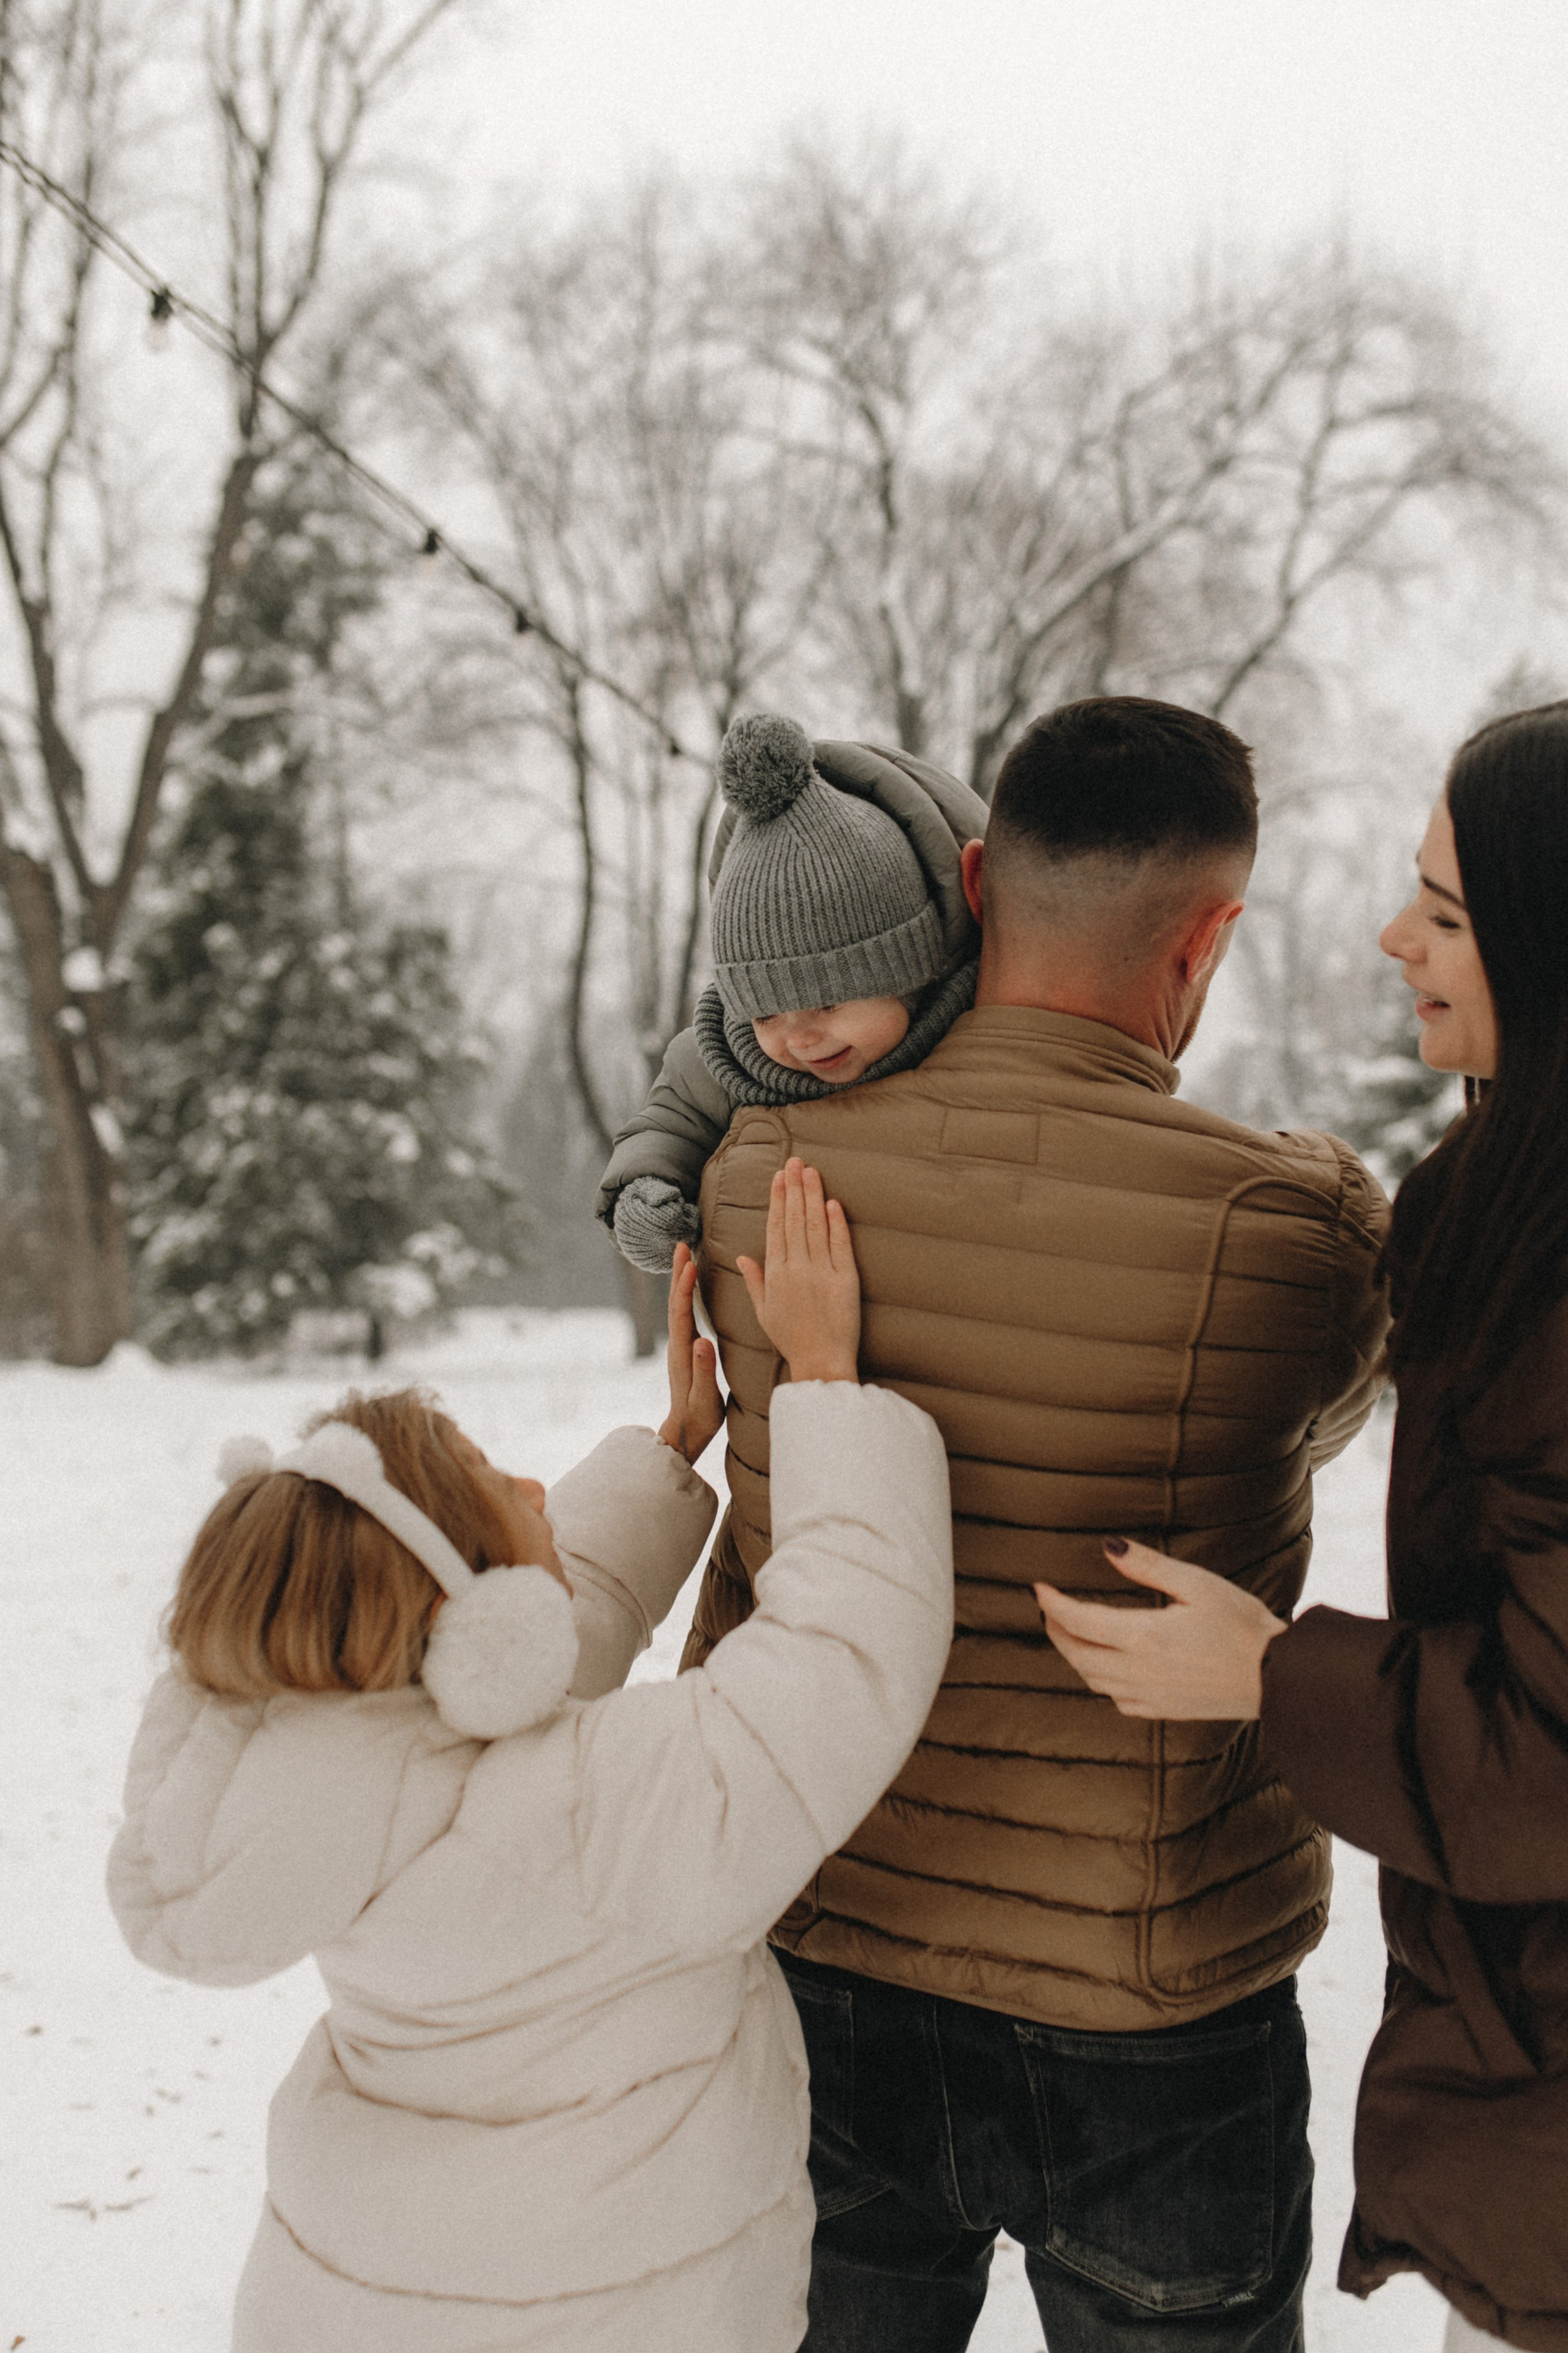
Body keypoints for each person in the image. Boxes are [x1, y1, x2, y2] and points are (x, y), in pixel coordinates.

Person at [684, 694, 1393, 2352]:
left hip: (828, 1957)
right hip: (1152, 2006)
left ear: (974, 881)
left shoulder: (756, 1177)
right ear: (1209, 936)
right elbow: (1331, 1416)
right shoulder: (1292, 1227)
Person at [107, 1166, 956, 2353]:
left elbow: (513, 1688)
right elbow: (839, 1660)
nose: (530, 1483)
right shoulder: (594, 1814)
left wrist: (669, 1456)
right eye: (489, 1482)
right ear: (470, 1620)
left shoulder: (343, 1784)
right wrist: (822, 1382)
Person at [1037, 700, 1568, 2353]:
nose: (1393, 935)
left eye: (1450, 913)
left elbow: (1551, 1747)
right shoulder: (1496, 1197)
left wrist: (1267, 1675)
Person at [597, 710, 988, 1272]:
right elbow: (668, 1125)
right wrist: (645, 1195)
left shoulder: (976, 1030)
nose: (799, 1037)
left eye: (828, 1002)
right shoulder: (722, 1059)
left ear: (911, 975)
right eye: (765, 1013)